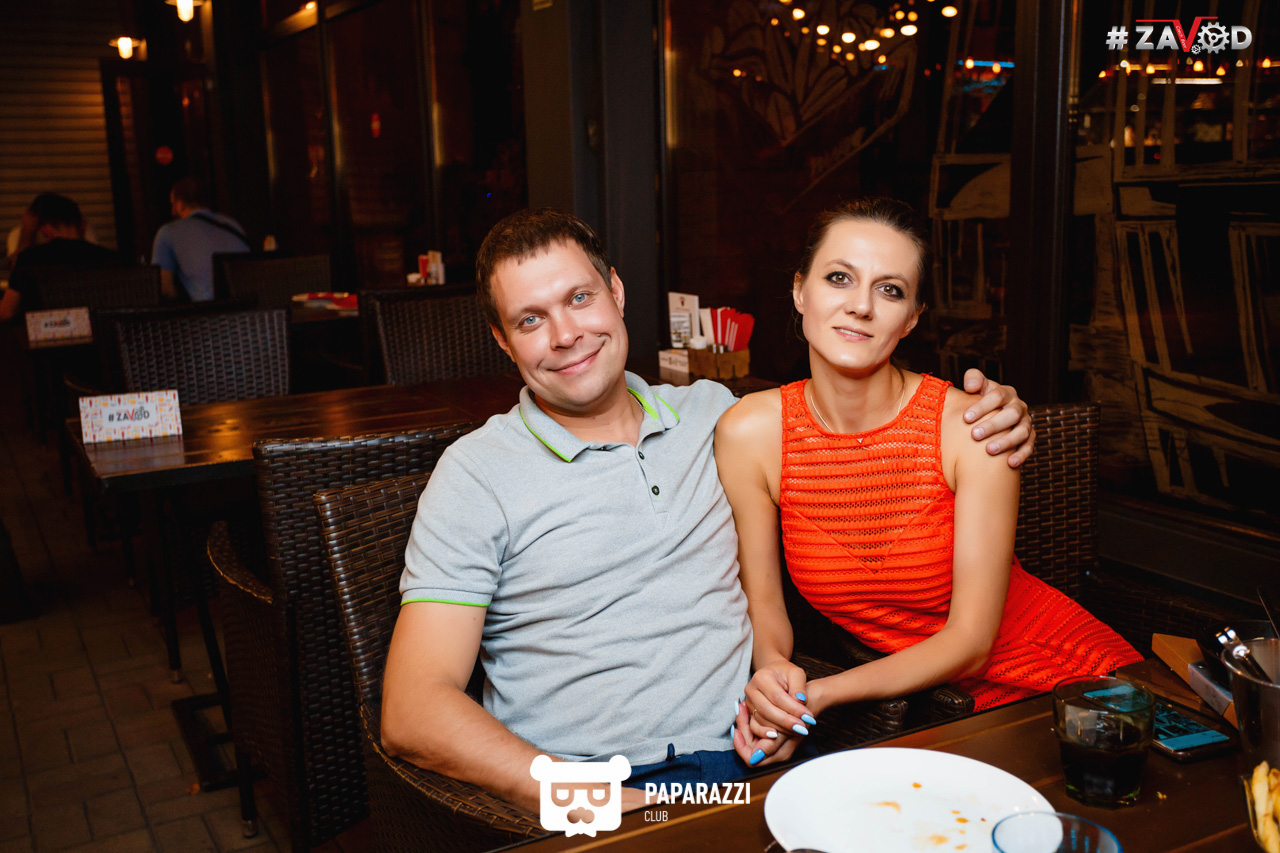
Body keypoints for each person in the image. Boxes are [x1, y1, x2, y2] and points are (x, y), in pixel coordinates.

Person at [381, 207, 1035, 813]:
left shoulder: (715, 418)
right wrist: (591, 801)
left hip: (745, 767)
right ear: (502, 340)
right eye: (530, 320)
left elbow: (855, 440)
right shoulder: (476, 474)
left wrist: (995, 414)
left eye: (580, 298)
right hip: (594, 786)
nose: (566, 335)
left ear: (616, 291)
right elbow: (412, 711)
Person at [714, 199, 1142, 765]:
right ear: (799, 291)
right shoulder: (749, 433)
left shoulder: (974, 427)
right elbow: (764, 604)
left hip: (1070, 680)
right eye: (839, 278)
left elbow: (971, 644)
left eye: (889, 290)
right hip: (946, 718)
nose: (860, 305)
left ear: (912, 317)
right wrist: (775, 681)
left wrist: (818, 697)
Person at [0, 193, 117, 321]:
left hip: (44, 330)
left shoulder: (30, 259)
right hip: (98, 330)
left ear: (46, 230)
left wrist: (27, 233)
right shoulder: (109, 258)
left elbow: (7, 312)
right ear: (82, 225)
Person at [151, 176, 249, 302]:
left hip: (210, 310)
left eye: (173, 204)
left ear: (180, 205)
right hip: (248, 307)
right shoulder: (233, 225)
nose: (172, 211)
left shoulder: (168, 232)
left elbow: (164, 289)